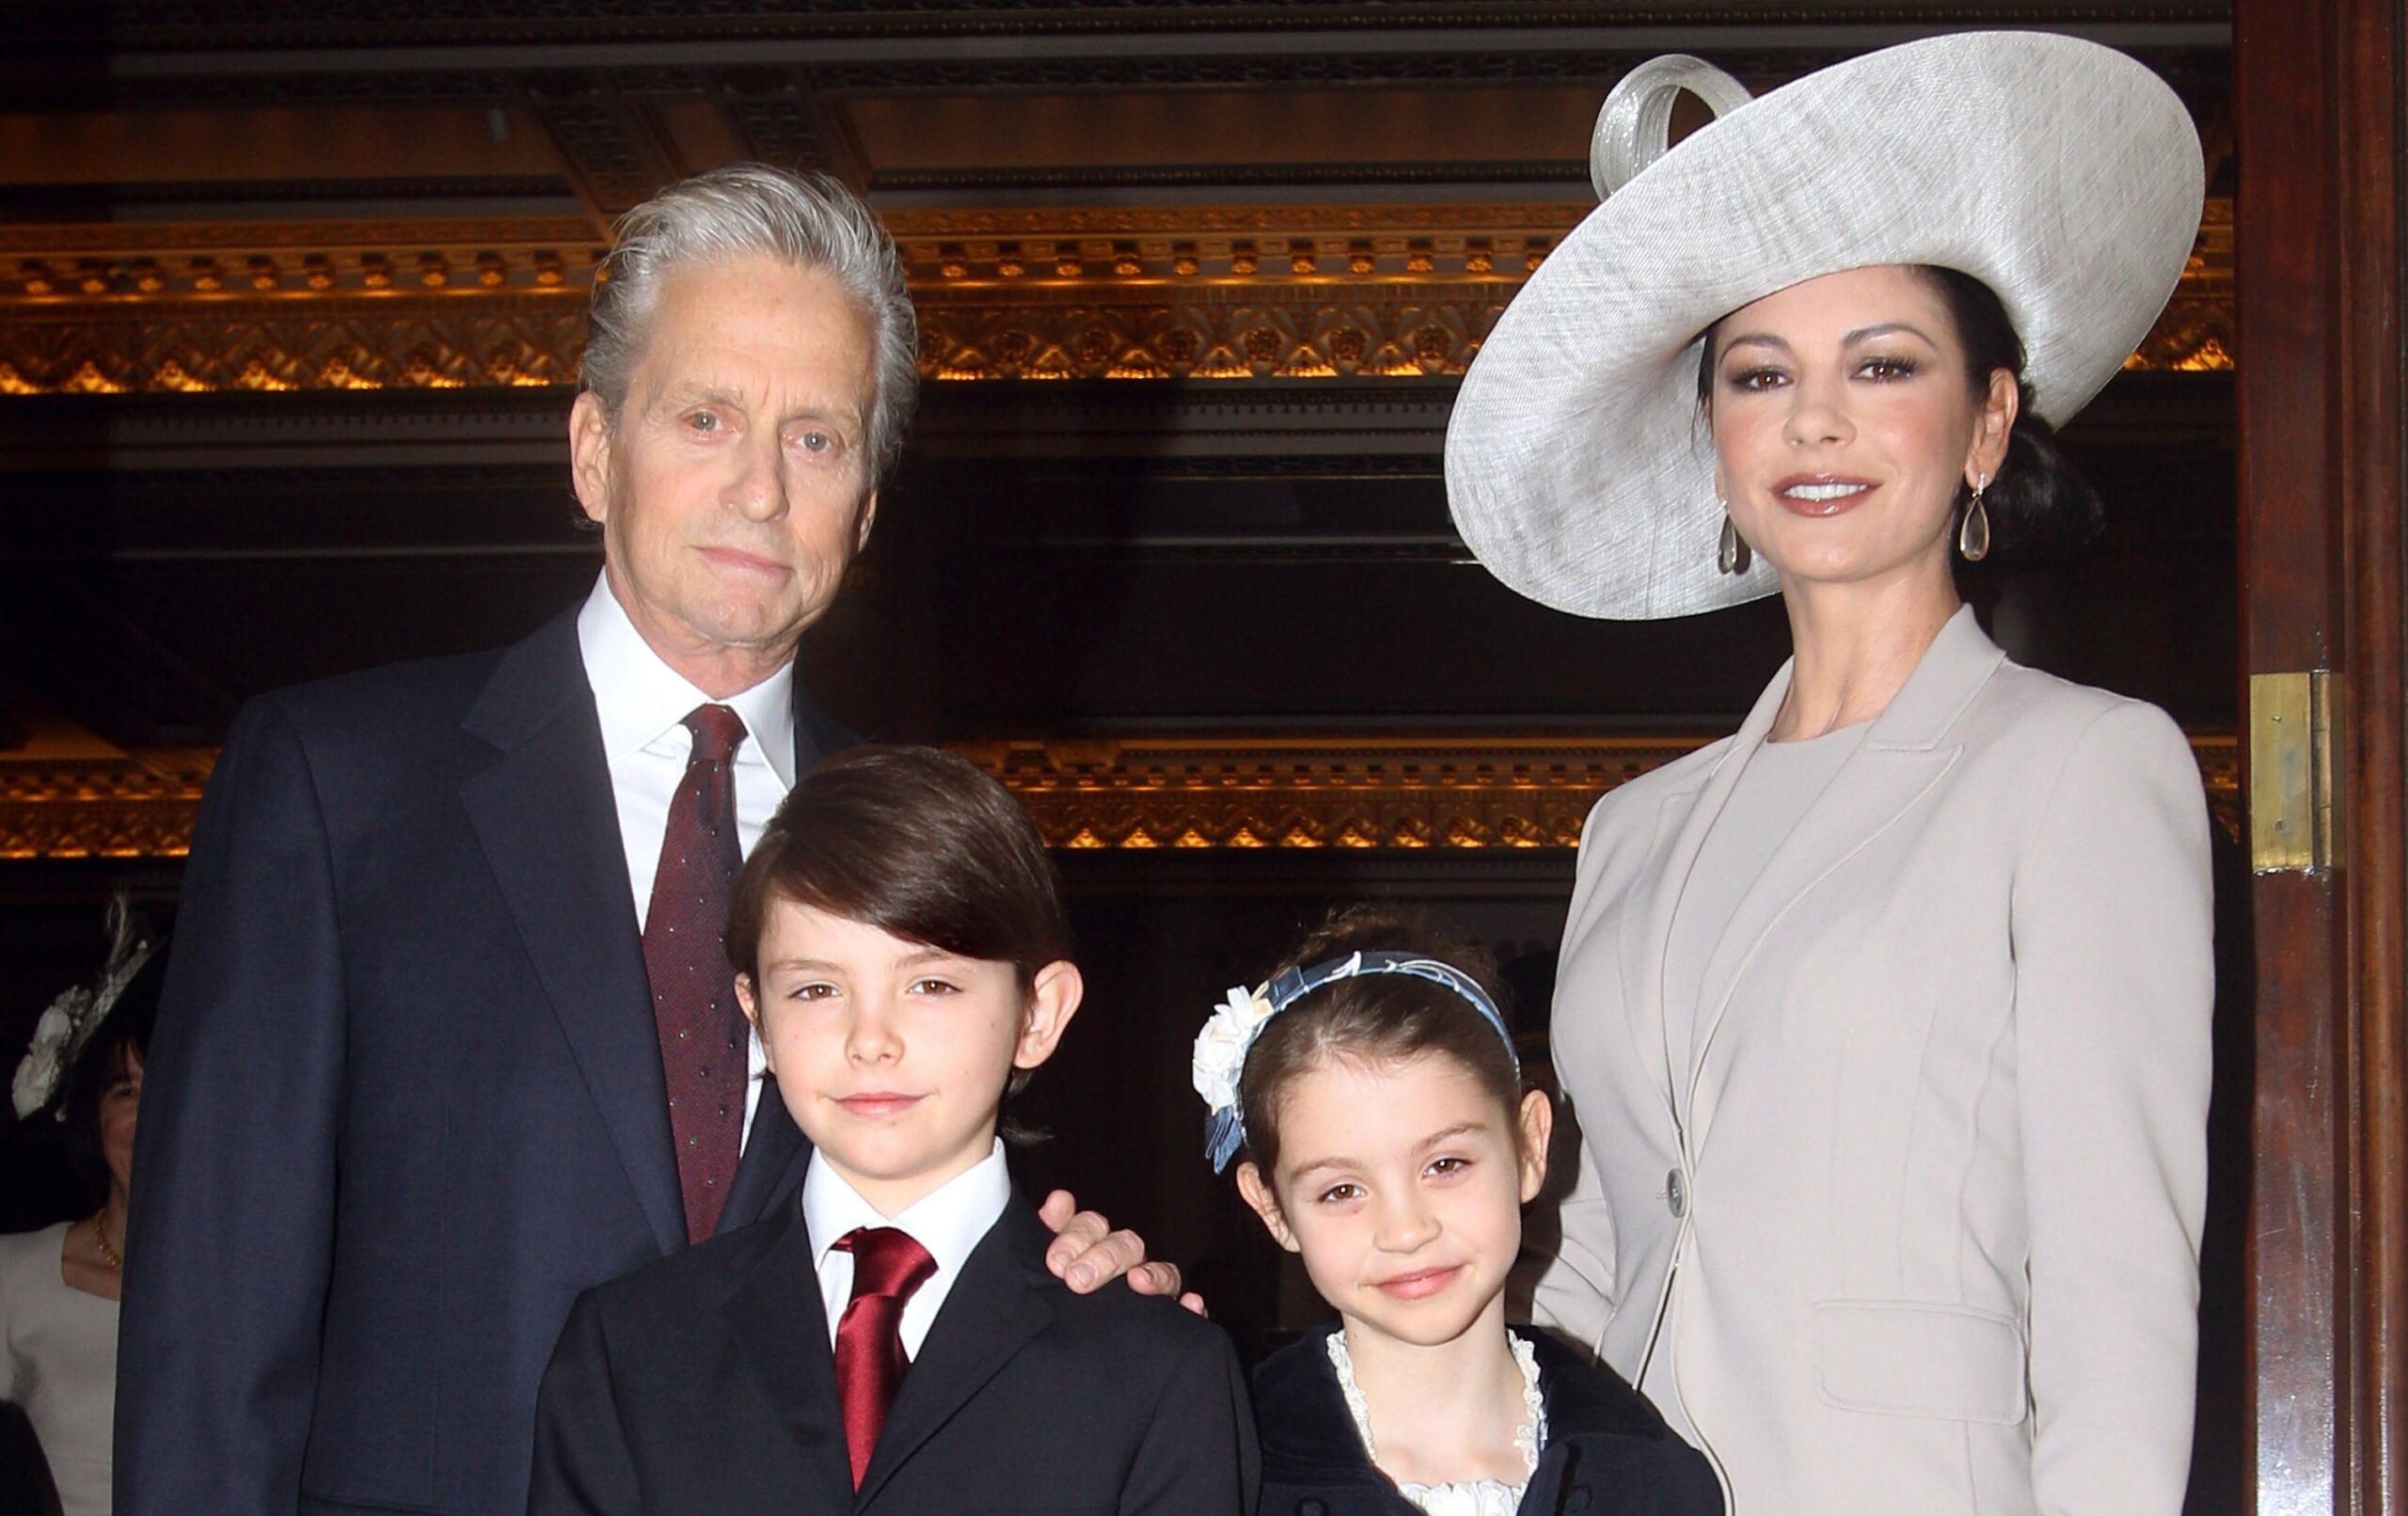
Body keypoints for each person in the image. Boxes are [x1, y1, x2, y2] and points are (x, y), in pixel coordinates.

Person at [117, 165, 1172, 1516]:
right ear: (594, 450)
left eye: (817, 439)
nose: (759, 488)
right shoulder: (337, 788)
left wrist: (1065, 1279)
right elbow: (213, 1329)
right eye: (707, 416)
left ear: (866, 504)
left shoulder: (931, 853)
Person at [1442, 34, 2214, 1515]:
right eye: (1758, 374)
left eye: (1883, 365)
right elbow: (1597, 1244)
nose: (1815, 420)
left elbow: (2119, 1280)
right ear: (1716, 436)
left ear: (1987, 424)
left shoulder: (2085, 772)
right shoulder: (1635, 829)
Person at [529, 746, 1256, 1513]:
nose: (869, 1039)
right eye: (815, 989)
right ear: (758, 1020)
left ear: (1038, 1014)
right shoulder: (630, 1348)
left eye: (931, 984)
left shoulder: (1156, 1369)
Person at [1201, 907, 1720, 1516]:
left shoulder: (1651, 1473)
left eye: (1445, 1165)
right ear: (1273, 1208)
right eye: (1342, 1190)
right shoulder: (1228, 1469)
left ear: (1530, 1146)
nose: (1405, 1229)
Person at [4, 899, 163, 1516]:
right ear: (94, 1120)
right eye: (128, 1092)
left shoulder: (268, 1292)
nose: (153, 1121)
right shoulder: (13, 1278)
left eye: (171, 1092)